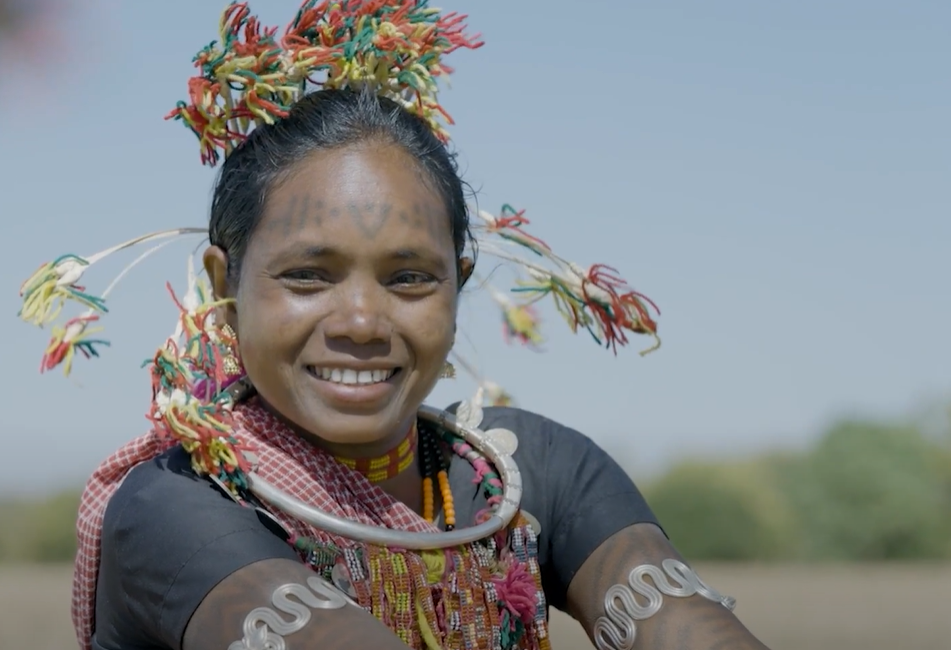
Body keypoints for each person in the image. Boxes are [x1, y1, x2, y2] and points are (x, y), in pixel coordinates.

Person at [18, 2, 773, 649]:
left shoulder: (523, 474)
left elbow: (686, 625)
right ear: (224, 287)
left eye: (409, 278)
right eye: (308, 276)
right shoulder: (176, 506)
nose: (360, 321)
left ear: (459, 286)